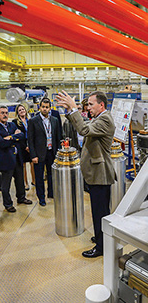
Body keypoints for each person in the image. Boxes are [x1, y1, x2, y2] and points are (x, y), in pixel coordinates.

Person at [56, 90, 116, 258]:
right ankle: (100, 237)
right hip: (96, 173)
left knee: (100, 212)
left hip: (100, 174)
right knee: (99, 210)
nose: (88, 107)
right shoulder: (99, 118)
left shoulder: (105, 119)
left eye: (90, 104)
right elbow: (85, 127)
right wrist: (70, 111)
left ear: (101, 104)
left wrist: (74, 109)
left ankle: (101, 247)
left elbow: (83, 130)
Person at [0, 105, 32, 212]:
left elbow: (22, 135)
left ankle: (21, 198)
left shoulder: (12, 125)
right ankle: (8, 204)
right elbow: (1, 143)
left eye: (6, 113)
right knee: (6, 185)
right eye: (2, 113)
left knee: (20, 181)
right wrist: (15, 137)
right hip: (6, 160)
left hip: (17, 158)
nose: (5, 115)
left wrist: (10, 137)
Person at [28, 98, 62, 206]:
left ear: (50, 108)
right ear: (39, 107)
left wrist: (59, 153)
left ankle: (51, 193)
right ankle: (41, 198)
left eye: (47, 107)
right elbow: (30, 140)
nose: (45, 109)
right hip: (39, 154)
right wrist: (33, 155)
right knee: (39, 177)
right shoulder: (33, 121)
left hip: (52, 152)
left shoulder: (54, 120)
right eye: (43, 107)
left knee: (52, 175)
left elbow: (58, 138)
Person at [12, 104, 35, 190]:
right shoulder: (15, 122)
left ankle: (34, 180)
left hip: (30, 145)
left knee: (32, 163)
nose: (22, 111)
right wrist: (25, 146)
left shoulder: (30, 120)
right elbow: (17, 136)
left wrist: (30, 146)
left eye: (23, 109)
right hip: (22, 146)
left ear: (26, 110)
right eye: (20, 110)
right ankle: (25, 183)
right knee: (23, 165)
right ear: (17, 112)